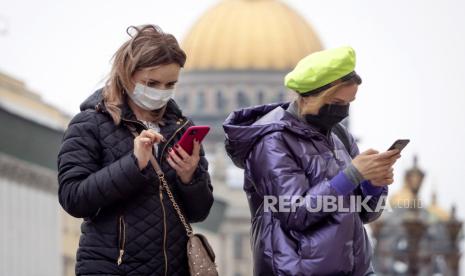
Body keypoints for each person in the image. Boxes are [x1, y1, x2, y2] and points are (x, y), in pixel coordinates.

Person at [223, 46, 400, 275]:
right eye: (337, 102)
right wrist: (352, 174)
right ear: (309, 97)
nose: (343, 110)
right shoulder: (272, 141)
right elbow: (295, 213)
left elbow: (365, 214)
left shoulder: (340, 136)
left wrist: (374, 185)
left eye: (349, 103)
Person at [57, 24, 214, 275]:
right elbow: (73, 198)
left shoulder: (181, 129)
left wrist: (189, 177)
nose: (161, 92)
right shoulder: (90, 124)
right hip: (110, 268)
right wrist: (133, 164)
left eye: (170, 84)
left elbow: (200, 212)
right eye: (151, 83)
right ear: (127, 74)